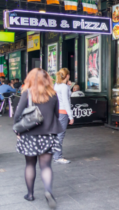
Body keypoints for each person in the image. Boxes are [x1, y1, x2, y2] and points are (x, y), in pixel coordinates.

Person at [13, 68, 63, 209]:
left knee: (30, 165)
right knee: (46, 166)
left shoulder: (27, 93)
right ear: (47, 78)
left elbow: (17, 116)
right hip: (48, 135)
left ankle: (30, 194)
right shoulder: (53, 94)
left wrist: (17, 130)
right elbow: (57, 115)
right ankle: (48, 191)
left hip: (29, 135)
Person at [53, 68, 74, 164]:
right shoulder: (64, 87)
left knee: (57, 134)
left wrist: (68, 86)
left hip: (56, 111)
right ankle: (58, 156)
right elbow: (66, 101)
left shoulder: (57, 85)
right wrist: (71, 116)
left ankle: (56, 154)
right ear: (67, 76)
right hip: (63, 112)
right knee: (60, 135)